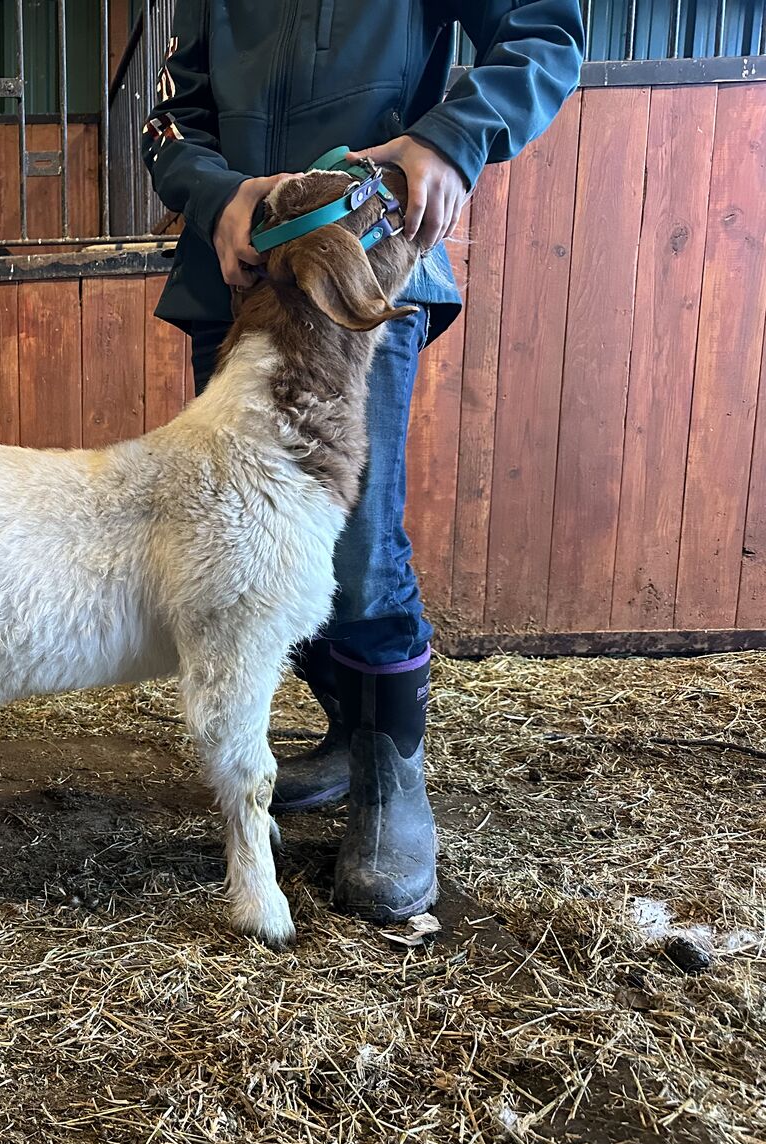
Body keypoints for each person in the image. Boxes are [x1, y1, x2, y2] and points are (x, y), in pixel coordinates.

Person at [142, 1, 584, 922]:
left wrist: (454, 137)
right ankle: (348, 730)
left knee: (355, 544)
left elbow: (544, 30)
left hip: (363, 268)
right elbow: (174, 112)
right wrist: (213, 189)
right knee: (246, 548)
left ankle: (391, 772)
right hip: (239, 274)